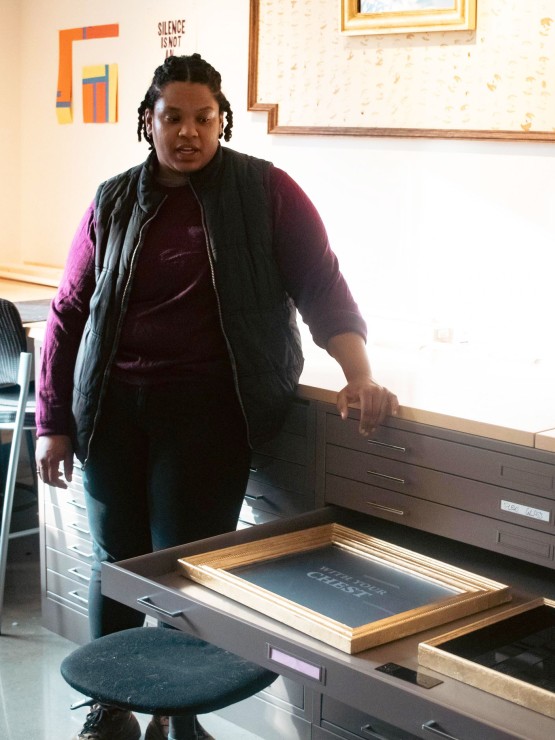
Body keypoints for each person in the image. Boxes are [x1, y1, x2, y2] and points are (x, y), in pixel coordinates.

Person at [36, 53, 399, 740]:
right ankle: (111, 709)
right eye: (173, 117)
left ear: (221, 120)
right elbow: (69, 310)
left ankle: (180, 718)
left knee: (187, 570)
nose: (188, 133)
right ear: (147, 121)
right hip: (113, 411)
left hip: (208, 415)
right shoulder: (113, 199)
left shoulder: (266, 191)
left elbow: (320, 284)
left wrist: (358, 372)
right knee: (116, 565)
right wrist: (51, 420)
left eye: (203, 118)